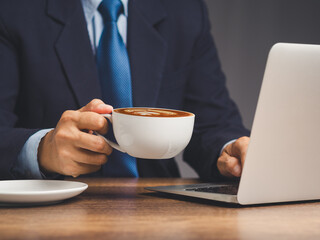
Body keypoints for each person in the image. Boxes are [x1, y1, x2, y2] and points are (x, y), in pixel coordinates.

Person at [0, 0, 250, 180]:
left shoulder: (184, 10)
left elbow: (213, 123)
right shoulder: (13, 10)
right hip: (50, 207)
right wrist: (42, 149)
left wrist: (233, 149)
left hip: (159, 208)